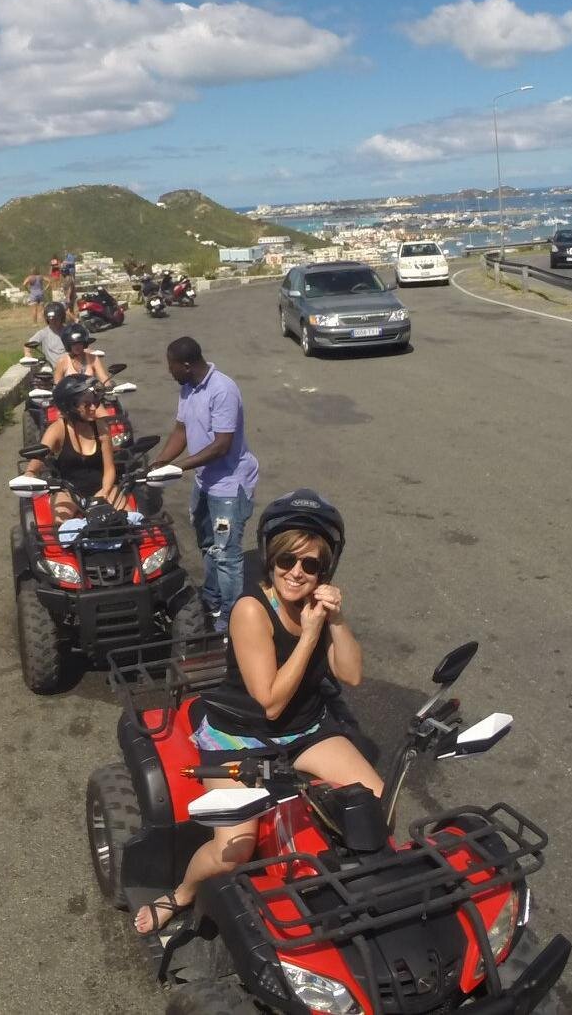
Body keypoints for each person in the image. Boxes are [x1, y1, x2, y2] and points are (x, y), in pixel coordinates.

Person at [135, 491, 379, 935]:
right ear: (271, 557)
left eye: (310, 565)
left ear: (325, 571)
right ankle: (182, 893)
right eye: (286, 560)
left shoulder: (316, 607)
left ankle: (356, 888)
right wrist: (310, 635)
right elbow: (270, 702)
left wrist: (337, 620)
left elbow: (352, 674)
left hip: (304, 729)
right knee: (234, 848)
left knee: (375, 804)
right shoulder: (252, 610)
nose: (296, 572)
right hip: (241, 734)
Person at [155, 337, 258, 625]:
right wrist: (158, 464)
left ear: (187, 365)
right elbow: (181, 431)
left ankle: (232, 620)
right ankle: (212, 600)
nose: (169, 371)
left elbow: (221, 445)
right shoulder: (187, 388)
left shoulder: (222, 390)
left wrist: (177, 467)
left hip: (229, 486)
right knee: (208, 544)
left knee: (226, 555)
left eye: (172, 366)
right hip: (205, 483)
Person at [24, 374, 116, 520]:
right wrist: (30, 475)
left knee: (130, 521)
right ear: (70, 407)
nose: (93, 408)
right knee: (63, 525)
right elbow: (36, 463)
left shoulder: (102, 427)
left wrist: (104, 492)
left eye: (95, 402)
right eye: (87, 404)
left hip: (103, 489)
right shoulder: (57, 429)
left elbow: (109, 468)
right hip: (68, 493)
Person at [53, 324, 112, 389]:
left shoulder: (93, 358)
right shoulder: (62, 361)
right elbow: (57, 386)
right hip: (70, 394)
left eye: (80, 343)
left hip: (91, 394)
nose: (77, 346)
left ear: (84, 343)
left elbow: (104, 378)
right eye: (73, 344)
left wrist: (108, 386)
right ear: (68, 345)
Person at [25, 301, 70, 367]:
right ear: (47, 319)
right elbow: (27, 345)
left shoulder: (69, 331)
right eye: (51, 319)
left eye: (56, 318)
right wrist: (27, 353)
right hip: (51, 368)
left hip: (69, 367)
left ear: (62, 317)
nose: (53, 321)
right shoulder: (43, 333)